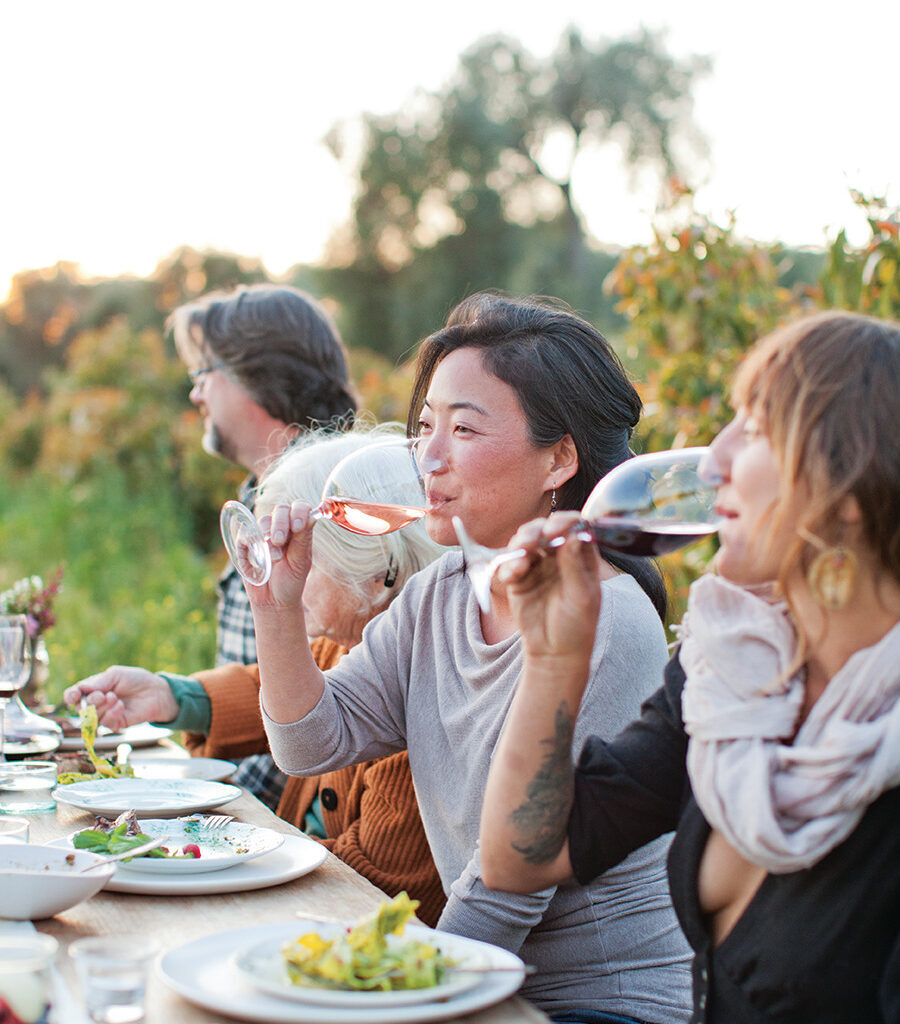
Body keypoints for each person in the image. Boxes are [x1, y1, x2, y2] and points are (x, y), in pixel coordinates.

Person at [245, 295, 693, 1022]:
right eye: (425, 427)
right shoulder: (439, 595)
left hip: (605, 1003)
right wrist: (279, 605)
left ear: (559, 457)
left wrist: (397, 993)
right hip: (491, 980)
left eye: (462, 428)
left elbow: (508, 887)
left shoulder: (607, 617)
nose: (429, 456)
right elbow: (309, 743)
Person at [477, 310, 900, 1023]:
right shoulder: (735, 670)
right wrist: (554, 659)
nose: (713, 461)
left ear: (850, 491)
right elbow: (522, 859)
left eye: (758, 428)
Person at [65, 426, 448, 925]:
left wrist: (229, 848)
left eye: (298, 557)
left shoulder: (426, 685)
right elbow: (279, 691)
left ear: (379, 572)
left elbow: (380, 883)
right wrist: (170, 696)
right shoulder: (348, 640)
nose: (276, 573)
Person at [171, 284, 357, 808]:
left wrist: (225, 815)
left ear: (259, 376)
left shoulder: (333, 510)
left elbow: (327, 702)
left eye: (203, 373)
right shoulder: (260, 498)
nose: (195, 394)